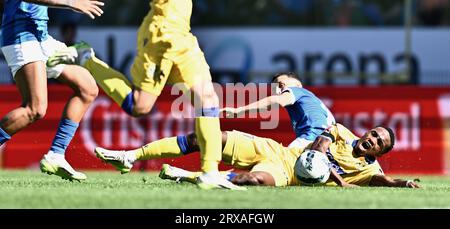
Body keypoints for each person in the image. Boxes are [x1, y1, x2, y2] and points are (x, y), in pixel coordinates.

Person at [46, 0, 239, 190]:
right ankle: (86, 57)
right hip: (163, 34)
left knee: (207, 100)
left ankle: (210, 173)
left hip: (183, 34)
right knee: (139, 106)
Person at [94, 123, 420, 188]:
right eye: (373, 132)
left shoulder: (367, 170)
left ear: (379, 151)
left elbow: (381, 179)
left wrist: (403, 184)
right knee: (207, 137)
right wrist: (337, 180)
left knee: (253, 181)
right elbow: (320, 146)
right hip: (276, 151)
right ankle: (130, 156)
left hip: (287, 176)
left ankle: (187, 176)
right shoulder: (341, 131)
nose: (371, 138)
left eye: (378, 141)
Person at [0, 0, 104, 181]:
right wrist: (70, 3)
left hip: (40, 36)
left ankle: (56, 155)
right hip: (21, 34)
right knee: (34, 109)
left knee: (88, 88)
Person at [222, 72, 335, 149]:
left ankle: (227, 177)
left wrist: (239, 111)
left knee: (276, 165)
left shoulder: (296, 90)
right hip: (327, 145)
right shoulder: (313, 101)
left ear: (298, 84)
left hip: (311, 139)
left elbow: (276, 101)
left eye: (280, 85)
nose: (277, 90)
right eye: (274, 88)